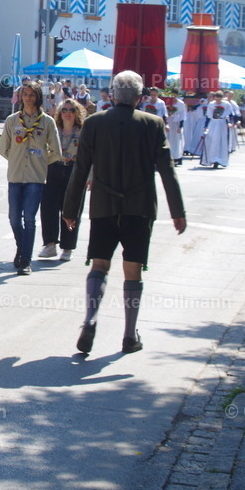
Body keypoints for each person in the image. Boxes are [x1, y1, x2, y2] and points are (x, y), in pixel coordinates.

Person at [63, 70, 187, 355]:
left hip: (104, 206)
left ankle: (91, 317)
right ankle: (130, 335)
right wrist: (177, 211)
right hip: (139, 208)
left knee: (99, 265)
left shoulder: (94, 123)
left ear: (113, 94)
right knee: (132, 271)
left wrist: (70, 210)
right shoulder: (153, 124)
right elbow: (167, 170)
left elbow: (80, 170)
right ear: (140, 97)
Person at [0, 80, 61, 275]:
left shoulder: (47, 122)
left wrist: (41, 162)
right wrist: (17, 159)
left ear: (38, 97)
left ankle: (26, 260)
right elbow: (4, 149)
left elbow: (56, 152)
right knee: (14, 218)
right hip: (16, 175)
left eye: (32, 94)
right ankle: (22, 246)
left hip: (35, 177)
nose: (28, 98)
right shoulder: (12, 120)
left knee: (30, 219)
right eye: (25, 94)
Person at [38, 98, 85, 261]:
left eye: (72, 110)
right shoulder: (53, 129)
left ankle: (68, 247)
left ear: (77, 113)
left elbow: (92, 155)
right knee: (49, 208)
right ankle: (50, 245)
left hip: (75, 171)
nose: (68, 113)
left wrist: (90, 177)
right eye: (64, 110)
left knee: (71, 209)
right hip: (53, 168)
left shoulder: (83, 130)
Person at [200, 91, 234, 169]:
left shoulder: (226, 104)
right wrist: (206, 126)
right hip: (213, 123)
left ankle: (220, 159)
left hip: (222, 124)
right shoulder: (211, 104)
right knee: (212, 140)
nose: (218, 100)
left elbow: (231, 114)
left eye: (219, 98)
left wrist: (230, 123)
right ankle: (211, 158)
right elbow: (208, 116)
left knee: (221, 141)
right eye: (217, 98)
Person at [167, 94, 187, 166]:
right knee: (168, 140)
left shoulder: (180, 103)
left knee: (176, 141)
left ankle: (176, 157)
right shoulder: (167, 101)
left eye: (174, 95)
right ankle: (169, 157)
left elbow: (182, 115)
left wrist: (180, 126)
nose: (173, 97)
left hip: (176, 124)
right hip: (169, 123)